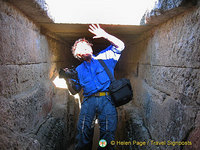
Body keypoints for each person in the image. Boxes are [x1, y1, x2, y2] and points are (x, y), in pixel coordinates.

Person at [65, 24, 125, 150]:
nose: (85, 48)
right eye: (80, 48)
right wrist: (68, 78)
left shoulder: (105, 58)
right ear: (78, 54)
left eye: (86, 45)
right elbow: (74, 91)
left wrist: (105, 35)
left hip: (107, 101)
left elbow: (121, 46)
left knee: (107, 136)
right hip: (88, 102)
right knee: (83, 133)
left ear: (91, 48)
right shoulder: (78, 70)